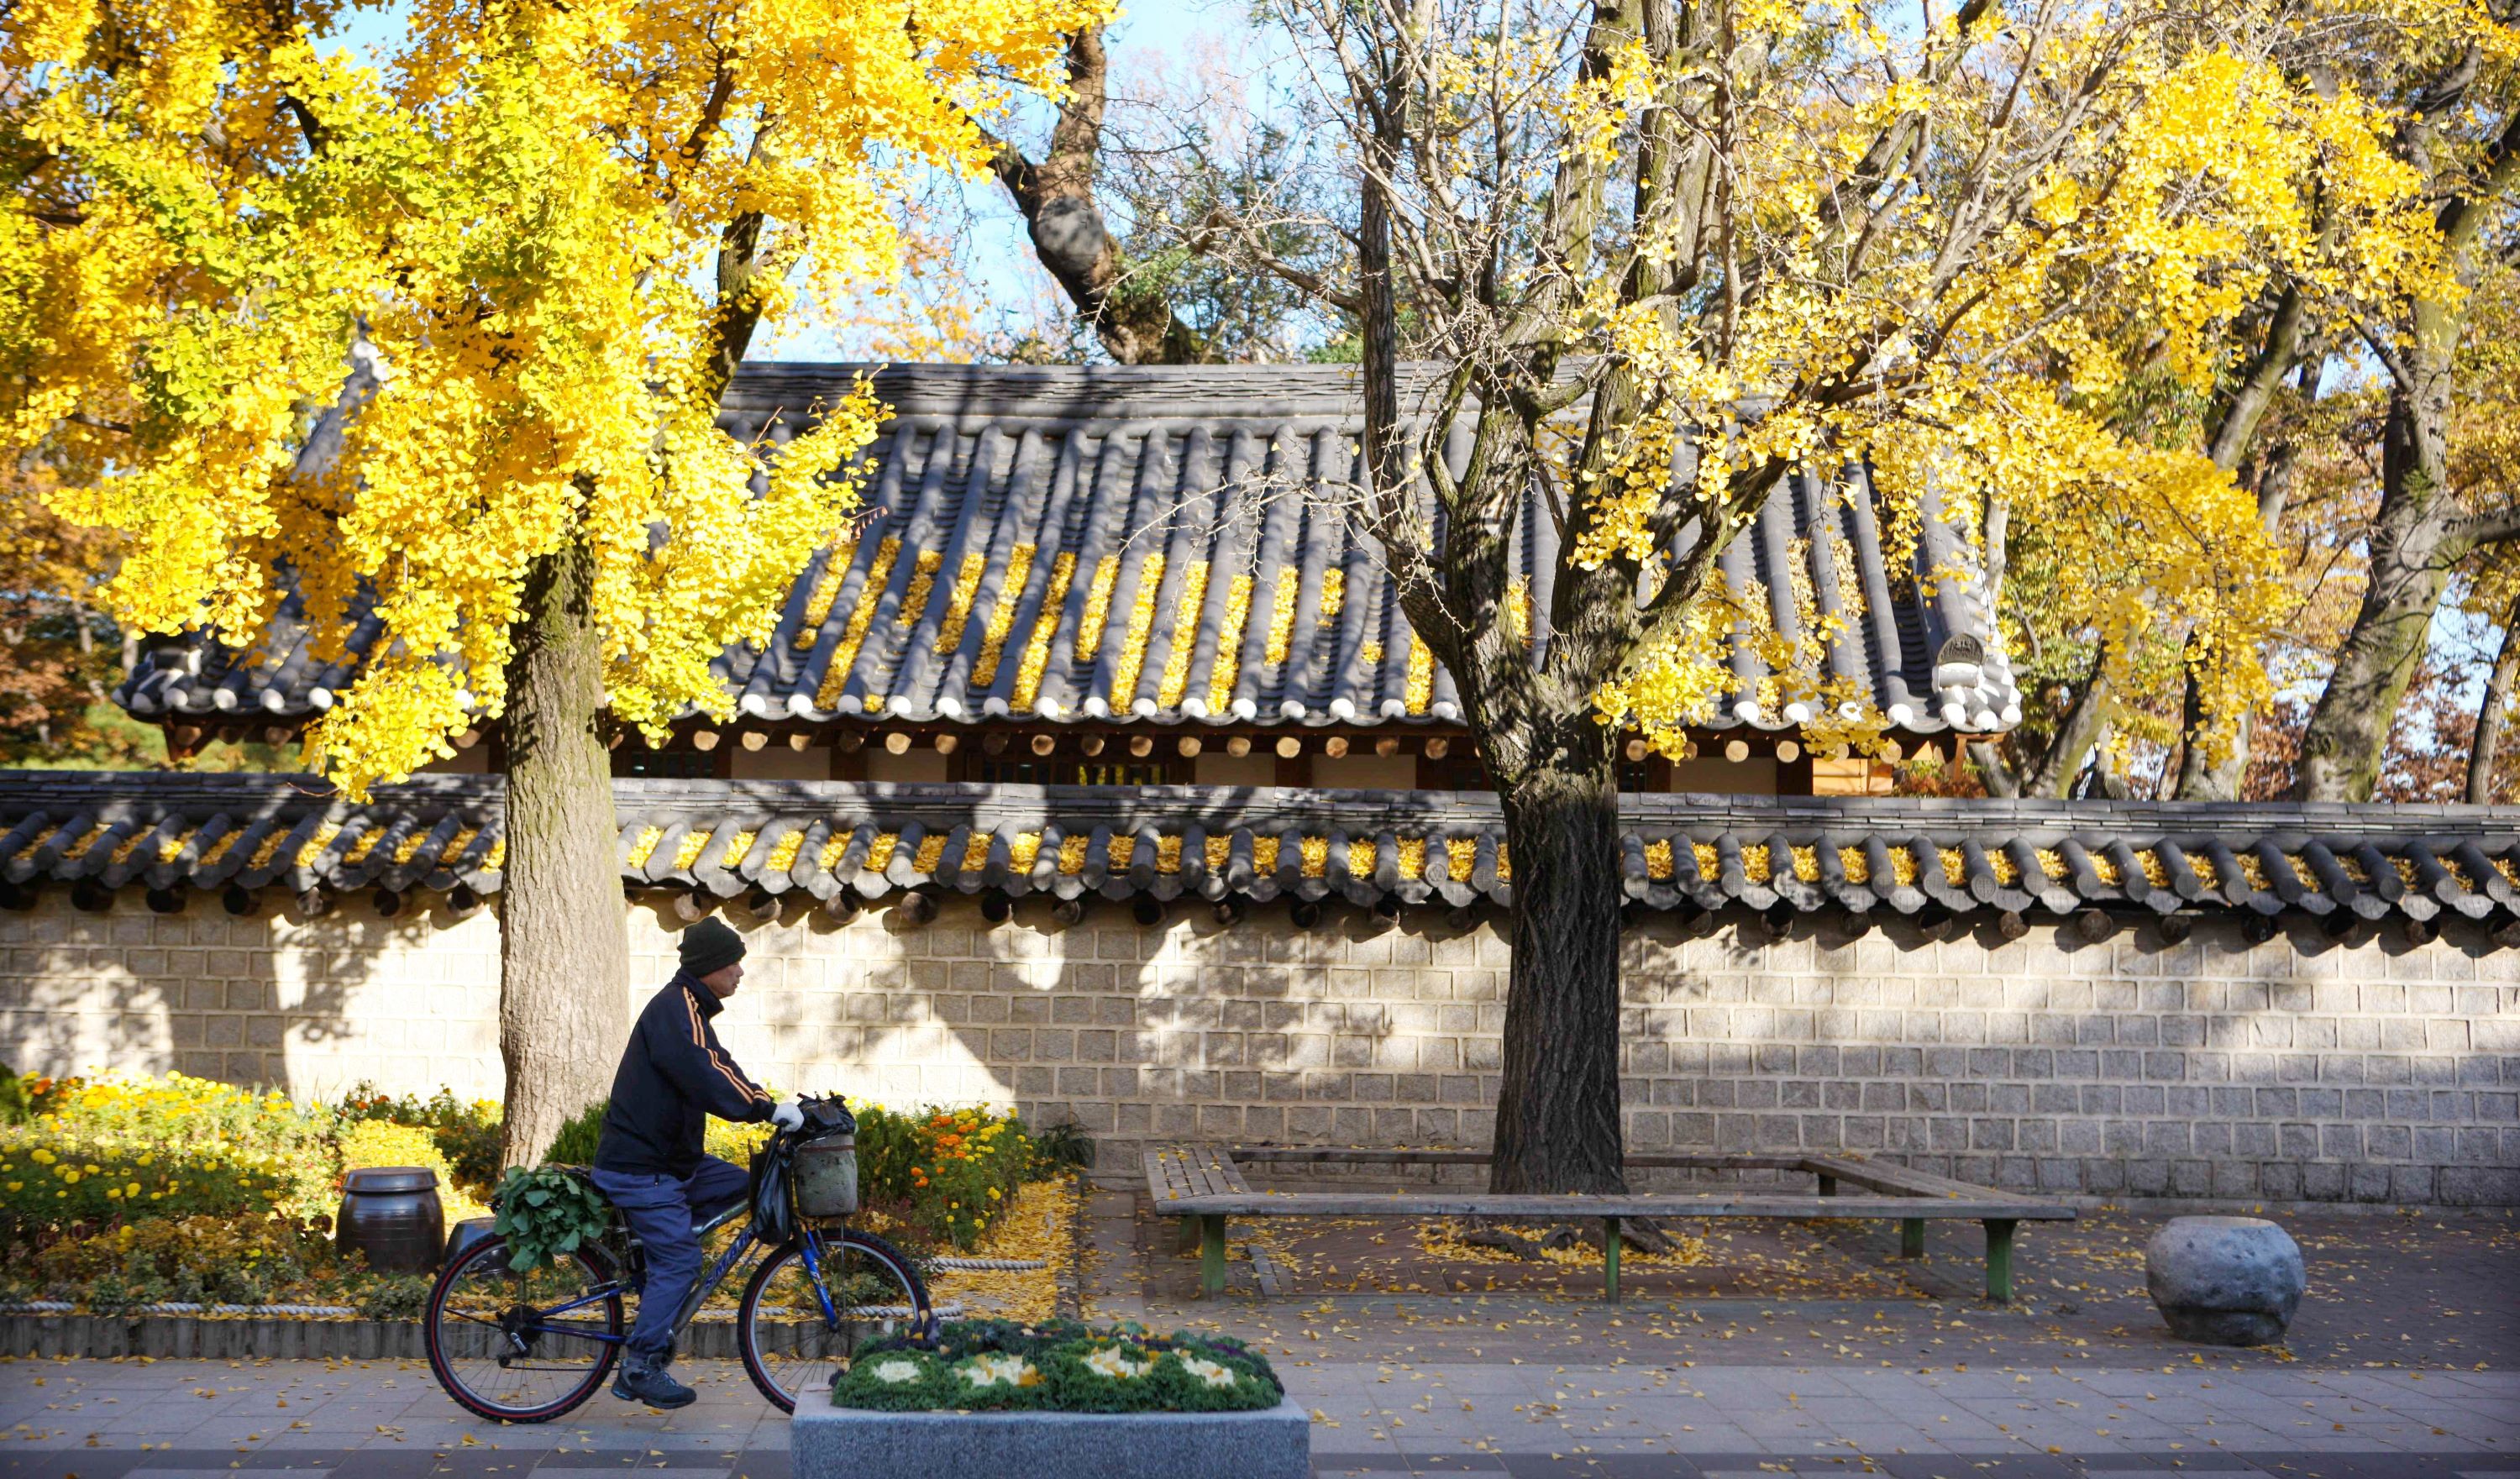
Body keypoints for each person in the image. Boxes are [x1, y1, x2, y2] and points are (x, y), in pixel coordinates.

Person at [591, 916, 804, 1408]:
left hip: (674, 1160)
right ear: (709, 966)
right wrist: (765, 1112)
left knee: (747, 1187)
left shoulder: (692, 1009)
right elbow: (704, 1073)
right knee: (683, 1261)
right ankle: (640, 1365)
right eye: (734, 963)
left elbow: (722, 1064)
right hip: (643, 1167)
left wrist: (768, 1104)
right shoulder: (674, 1010)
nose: (740, 973)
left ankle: (653, 1269)